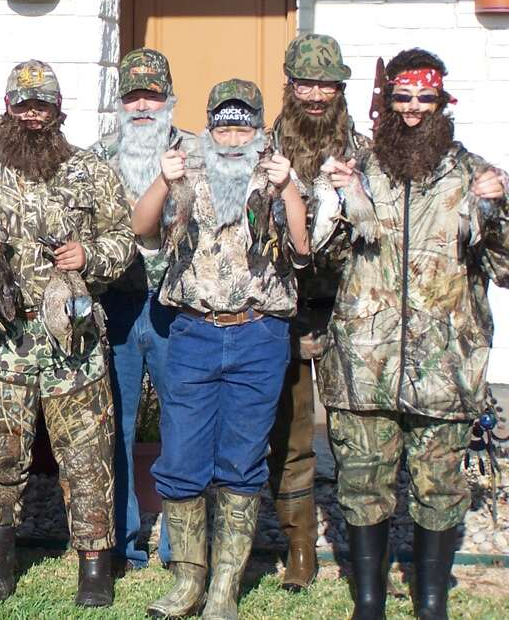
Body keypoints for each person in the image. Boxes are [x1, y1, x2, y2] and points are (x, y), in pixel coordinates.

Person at [317, 49, 508, 620]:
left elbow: (504, 267)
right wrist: (335, 199)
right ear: (386, 101)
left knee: (441, 489)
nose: (414, 109)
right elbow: (318, 262)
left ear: (444, 103)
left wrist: (499, 210)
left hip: (446, 369)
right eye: (403, 97)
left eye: (426, 98)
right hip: (362, 367)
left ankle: (431, 603)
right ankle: (368, 602)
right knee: (362, 487)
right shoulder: (357, 170)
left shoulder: (474, 175)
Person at [0, 60, 136, 608]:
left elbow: (123, 239)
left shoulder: (90, 170)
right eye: (23, 105)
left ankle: (94, 571)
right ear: (7, 108)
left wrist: (89, 255)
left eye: (41, 105)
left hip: (72, 343)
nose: (32, 114)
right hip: (0, 343)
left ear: (58, 109)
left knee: (88, 457)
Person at [133, 79, 309, 620]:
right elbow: (142, 229)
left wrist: (290, 189)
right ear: (209, 126)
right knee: (181, 457)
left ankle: (225, 589)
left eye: (243, 127)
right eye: (224, 127)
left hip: (259, 334)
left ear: (259, 128)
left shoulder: (278, 171)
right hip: (195, 332)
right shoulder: (186, 167)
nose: (233, 138)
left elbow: (303, 248)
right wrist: (163, 181)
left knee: (241, 460)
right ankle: (189, 582)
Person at [266, 34, 368, 592]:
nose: (314, 94)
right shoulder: (264, 149)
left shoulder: (365, 153)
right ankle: (300, 545)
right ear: (289, 84)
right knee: (293, 431)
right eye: (305, 82)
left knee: (356, 434)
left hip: (349, 313)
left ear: (340, 89)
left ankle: (365, 543)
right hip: (283, 310)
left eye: (326, 84)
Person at [91, 47, 195, 572]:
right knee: (117, 425)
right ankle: (123, 541)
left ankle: (181, 545)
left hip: (178, 307)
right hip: (117, 303)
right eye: (132, 95)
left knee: (183, 423)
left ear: (168, 98)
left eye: (151, 95)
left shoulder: (196, 153)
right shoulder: (97, 156)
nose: (141, 106)